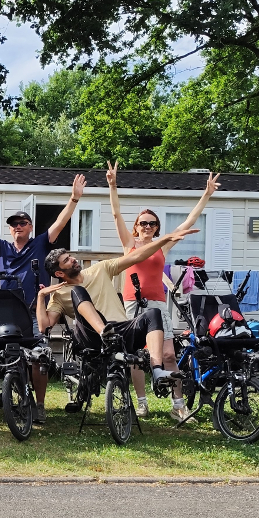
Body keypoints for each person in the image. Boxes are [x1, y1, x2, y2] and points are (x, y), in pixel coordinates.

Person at [0, 173, 86, 423]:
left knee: (39, 356)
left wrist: (74, 198)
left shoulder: (40, 244)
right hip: (4, 313)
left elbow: (60, 222)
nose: (18, 226)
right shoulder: (2, 248)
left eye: (23, 223)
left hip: (33, 311)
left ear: (30, 227)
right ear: (10, 229)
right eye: (14, 224)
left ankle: (39, 405)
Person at [108, 161, 220, 420]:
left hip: (158, 304)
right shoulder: (129, 244)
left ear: (157, 227)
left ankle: (178, 405)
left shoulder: (161, 245)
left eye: (152, 224)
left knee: (168, 354)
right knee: (135, 356)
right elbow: (115, 214)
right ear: (136, 226)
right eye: (143, 223)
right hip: (133, 304)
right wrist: (113, 185)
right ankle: (141, 403)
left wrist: (206, 194)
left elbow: (187, 222)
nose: (147, 227)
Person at [37, 229, 200, 403]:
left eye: (70, 256)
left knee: (153, 313)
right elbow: (44, 326)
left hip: (120, 332)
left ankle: (157, 370)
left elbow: (136, 256)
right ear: (60, 273)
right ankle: (104, 332)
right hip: (92, 337)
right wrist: (40, 297)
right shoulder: (59, 294)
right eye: (67, 260)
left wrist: (165, 239)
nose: (73, 259)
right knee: (78, 291)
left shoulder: (100, 269)